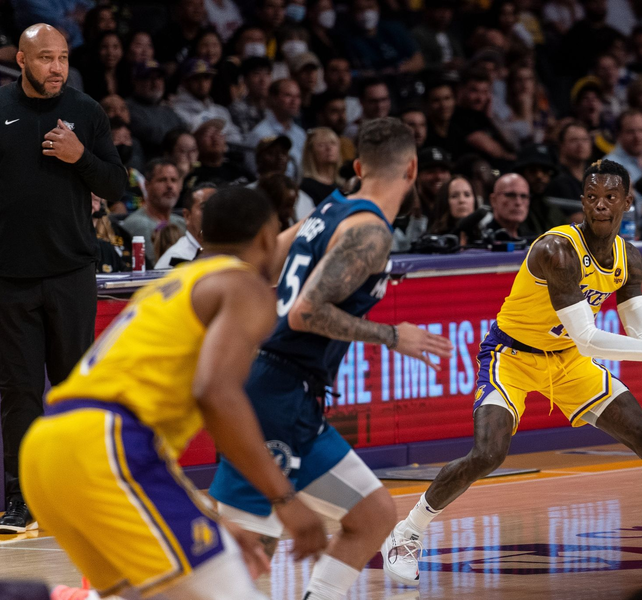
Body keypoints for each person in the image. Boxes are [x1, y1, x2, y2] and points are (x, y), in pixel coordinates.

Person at [382, 159, 642, 587]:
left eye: (611, 197)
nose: (600, 205)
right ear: (582, 202)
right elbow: (589, 338)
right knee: (488, 454)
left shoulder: (629, 258)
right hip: (511, 355)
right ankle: (406, 533)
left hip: (567, 359)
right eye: (592, 197)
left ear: (628, 202)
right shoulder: (557, 250)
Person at [21, 187, 328, 598]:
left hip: (47, 450)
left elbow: (147, 445)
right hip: (105, 445)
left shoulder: (175, 283)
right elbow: (216, 393)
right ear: (266, 238)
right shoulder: (244, 286)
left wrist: (209, 520)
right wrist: (284, 499)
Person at [208, 118, 453, 600]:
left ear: (358, 167)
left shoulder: (328, 209)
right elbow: (305, 312)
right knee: (245, 558)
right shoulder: (370, 231)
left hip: (292, 393)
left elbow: (264, 259)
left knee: (374, 514)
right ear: (412, 169)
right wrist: (392, 336)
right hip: (275, 392)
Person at [0, 24, 126, 533]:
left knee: (75, 389)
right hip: (9, 278)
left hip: (71, 271)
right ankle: (22, 498)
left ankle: (82, 492)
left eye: (63, 58)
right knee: (20, 392)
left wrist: (81, 157)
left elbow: (116, 184)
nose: (57, 68)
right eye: (45, 58)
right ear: (22, 60)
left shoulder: (86, 111)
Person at [121, 159, 187, 263]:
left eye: (174, 180)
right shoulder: (136, 225)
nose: (169, 186)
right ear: (147, 185)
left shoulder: (183, 223)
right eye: (162, 180)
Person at [342, 0, 424, 76]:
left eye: (370, 7)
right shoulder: (348, 39)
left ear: (378, 8)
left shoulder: (395, 29)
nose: (366, 13)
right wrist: (380, 74)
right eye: (360, 9)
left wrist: (396, 70)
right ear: (351, 12)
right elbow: (350, 72)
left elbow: (418, 62)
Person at [172, 58, 243, 144]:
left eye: (206, 77)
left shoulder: (220, 111)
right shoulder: (176, 112)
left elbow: (237, 139)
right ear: (185, 82)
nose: (202, 83)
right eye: (196, 78)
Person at [246, 78, 306, 177]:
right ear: (274, 99)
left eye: (298, 96)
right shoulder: (260, 133)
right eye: (288, 95)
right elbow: (256, 172)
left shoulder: (300, 134)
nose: (294, 101)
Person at [127, 60, 185, 160]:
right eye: (148, 78)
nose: (155, 83)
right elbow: (154, 137)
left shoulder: (167, 109)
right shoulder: (128, 108)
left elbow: (184, 132)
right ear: (136, 81)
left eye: (159, 77)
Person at [155, 183, 215, 268]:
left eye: (217, 207)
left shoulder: (228, 251)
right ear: (187, 216)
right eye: (204, 208)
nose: (213, 213)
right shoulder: (175, 258)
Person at [513, 145, 565, 237]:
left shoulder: (553, 210)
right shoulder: (513, 206)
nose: (539, 176)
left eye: (545, 171)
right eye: (532, 171)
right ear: (521, 173)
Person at [189, 118, 253, 187]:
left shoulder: (236, 167)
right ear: (196, 143)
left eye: (218, 133)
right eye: (208, 134)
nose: (215, 138)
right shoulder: (193, 175)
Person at [411, 0, 464, 71]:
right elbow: (417, 65)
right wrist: (444, 66)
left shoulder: (452, 35)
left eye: (448, 10)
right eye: (440, 10)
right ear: (428, 11)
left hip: (457, 75)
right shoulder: (418, 34)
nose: (444, 15)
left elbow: (461, 58)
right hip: (433, 76)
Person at [548, 121, 592, 203]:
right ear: (562, 145)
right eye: (574, 140)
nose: (580, 145)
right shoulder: (556, 178)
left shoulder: (596, 175)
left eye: (585, 140)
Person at [228, 56, 273, 136]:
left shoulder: (276, 108)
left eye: (267, 74)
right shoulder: (237, 109)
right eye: (257, 74)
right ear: (245, 79)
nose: (263, 80)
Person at [301, 127, 342, 206]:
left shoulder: (343, 185)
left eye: (333, 143)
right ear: (311, 152)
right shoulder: (307, 186)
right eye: (322, 145)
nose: (329, 148)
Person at [312, 90, 357, 162]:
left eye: (343, 111)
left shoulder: (347, 144)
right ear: (321, 115)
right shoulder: (312, 145)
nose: (341, 117)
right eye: (335, 111)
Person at [484, 173, 530, 239]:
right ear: (493, 200)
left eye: (524, 196)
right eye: (510, 195)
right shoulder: (479, 238)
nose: (518, 202)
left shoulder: (534, 240)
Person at [424, 80, 459, 157]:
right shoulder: (424, 135)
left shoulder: (460, 130)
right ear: (427, 104)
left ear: (455, 100)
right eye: (436, 100)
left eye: (447, 98)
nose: (443, 105)